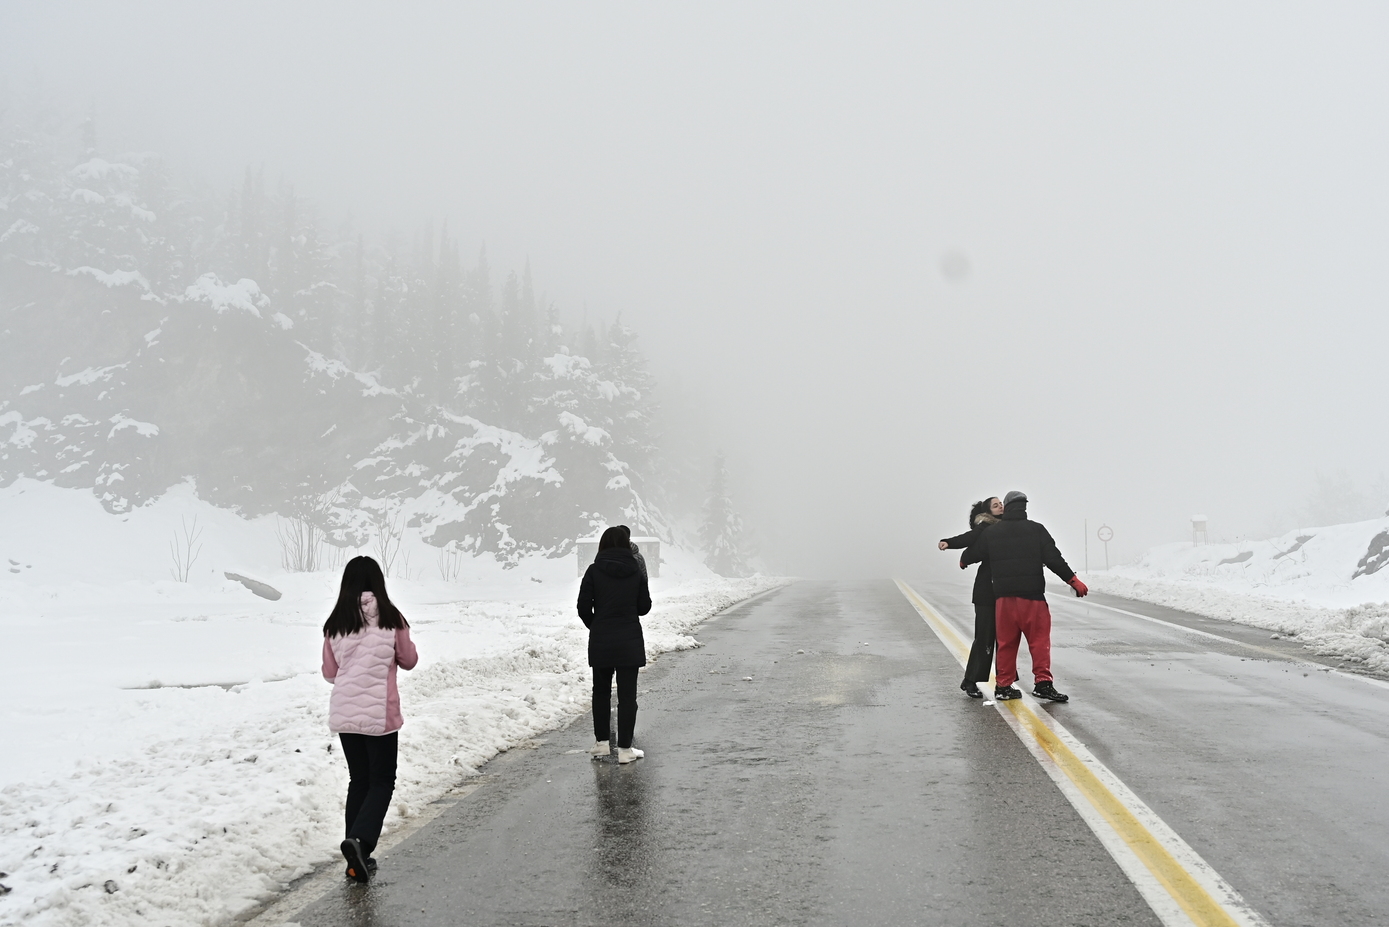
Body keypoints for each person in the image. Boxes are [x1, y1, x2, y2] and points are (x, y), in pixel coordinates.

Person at [321, 555, 419, 883]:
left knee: (359, 780)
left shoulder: (336, 622)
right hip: (379, 714)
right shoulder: (392, 618)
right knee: (382, 781)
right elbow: (408, 660)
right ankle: (361, 844)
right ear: (378, 583)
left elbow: (330, 672)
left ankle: (356, 855)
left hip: (345, 713)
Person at [962, 491, 1087, 702]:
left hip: (1004, 601)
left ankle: (1003, 687)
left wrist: (964, 560)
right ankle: (1043, 684)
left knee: (1006, 644)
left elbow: (970, 554)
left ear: (1008, 507)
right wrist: (1073, 580)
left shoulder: (993, 532)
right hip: (1033, 598)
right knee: (1038, 642)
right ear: (1024, 507)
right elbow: (1054, 559)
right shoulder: (1037, 530)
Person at [577, 524, 652, 764]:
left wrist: (597, 625)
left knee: (600, 692)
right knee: (627, 695)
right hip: (629, 639)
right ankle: (625, 750)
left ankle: (601, 744)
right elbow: (644, 607)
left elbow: (582, 607)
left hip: (601, 640)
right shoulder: (635, 571)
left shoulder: (593, 571)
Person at [938, 496, 1004, 698]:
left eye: (1001, 503)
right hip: (986, 591)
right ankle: (970, 681)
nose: (1000, 505)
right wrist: (948, 542)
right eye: (996, 505)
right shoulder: (985, 527)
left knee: (1004, 640)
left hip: (1004, 590)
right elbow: (967, 538)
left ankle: (1005, 682)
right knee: (984, 638)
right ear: (988, 512)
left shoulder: (1009, 526)